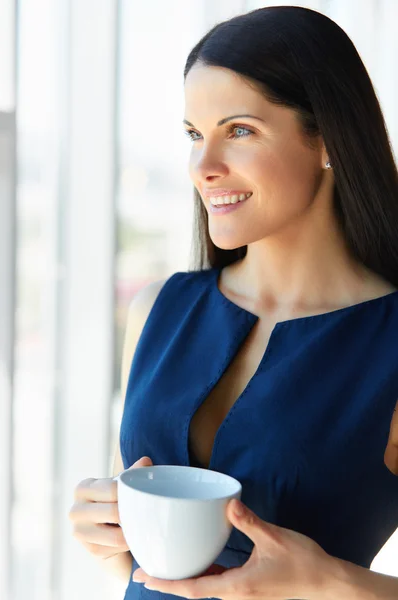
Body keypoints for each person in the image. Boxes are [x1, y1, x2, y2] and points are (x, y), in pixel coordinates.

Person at [68, 6, 398, 599]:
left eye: (238, 131)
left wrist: (333, 582)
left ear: (327, 140)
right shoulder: (156, 311)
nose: (204, 166)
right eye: (195, 135)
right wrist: (109, 536)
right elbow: (148, 571)